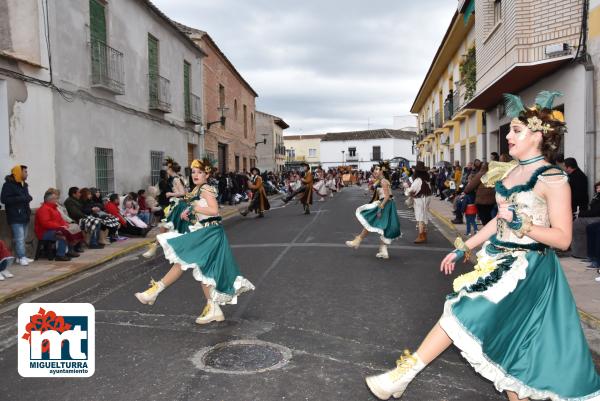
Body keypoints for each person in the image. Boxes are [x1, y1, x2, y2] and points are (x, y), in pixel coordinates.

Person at [365, 91, 600, 400]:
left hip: (529, 270)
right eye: (510, 130)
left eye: (517, 130)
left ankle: (403, 375)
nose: (508, 136)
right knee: (511, 355)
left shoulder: (552, 178)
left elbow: (563, 238)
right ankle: (402, 376)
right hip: (499, 261)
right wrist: (464, 247)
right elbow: (496, 223)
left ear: (539, 135)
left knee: (461, 312)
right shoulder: (511, 172)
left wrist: (525, 225)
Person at [134, 159, 255, 324]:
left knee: (183, 260)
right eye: (193, 172)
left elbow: (213, 210)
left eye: (199, 172)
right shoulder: (198, 189)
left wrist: (194, 208)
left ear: (206, 174)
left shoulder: (206, 188)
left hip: (209, 233)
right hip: (205, 231)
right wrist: (189, 213)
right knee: (201, 270)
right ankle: (214, 309)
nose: (195, 175)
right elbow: (200, 210)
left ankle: (154, 291)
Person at [345, 161, 401, 259]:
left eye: (377, 169)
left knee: (373, 222)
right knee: (379, 225)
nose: (375, 171)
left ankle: (357, 241)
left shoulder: (383, 181)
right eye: (374, 169)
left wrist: (380, 208)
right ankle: (382, 250)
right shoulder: (380, 180)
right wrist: (369, 190)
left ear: (382, 171)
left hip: (385, 204)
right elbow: (375, 188)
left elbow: (387, 196)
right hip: (385, 204)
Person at [1, 165, 33, 266]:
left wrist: (28, 198)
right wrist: (21, 198)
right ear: (18, 172)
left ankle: (20, 257)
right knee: (19, 238)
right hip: (15, 215)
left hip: (25, 214)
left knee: (22, 237)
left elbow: (26, 197)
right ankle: (22, 256)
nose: (26, 174)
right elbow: (4, 200)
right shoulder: (8, 185)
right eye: (25, 172)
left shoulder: (24, 184)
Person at [34, 190, 79, 261]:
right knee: (62, 234)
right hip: (44, 232)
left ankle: (69, 251)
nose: (57, 200)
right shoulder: (43, 209)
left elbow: (60, 220)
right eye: (55, 199)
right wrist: (60, 227)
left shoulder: (53, 208)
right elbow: (46, 223)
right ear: (50, 200)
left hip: (53, 229)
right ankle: (60, 255)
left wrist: (66, 225)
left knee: (72, 230)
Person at [406, 161, 432, 244]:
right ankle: (424, 234)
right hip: (426, 198)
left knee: (420, 217)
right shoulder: (427, 180)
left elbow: (411, 190)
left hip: (420, 200)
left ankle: (421, 236)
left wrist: (406, 188)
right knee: (424, 216)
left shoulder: (418, 180)